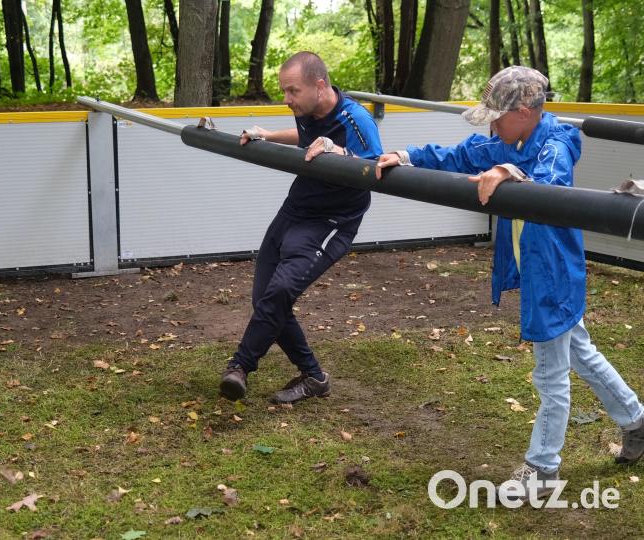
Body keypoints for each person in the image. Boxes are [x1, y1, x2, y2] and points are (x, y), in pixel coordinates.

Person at [375, 66, 644, 497]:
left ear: (523, 111)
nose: (492, 125)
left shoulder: (555, 142)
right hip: (538, 268)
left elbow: (549, 181)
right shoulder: (509, 139)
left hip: (553, 275)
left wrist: (508, 173)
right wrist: (406, 157)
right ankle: (636, 420)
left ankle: (542, 469)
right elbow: (460, 155)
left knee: (551, 376)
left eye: (497, 116)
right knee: (581, 352)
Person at [219, 51, 383, 405]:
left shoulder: (356, 120)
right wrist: (266, 134)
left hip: (331, 222)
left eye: (292, 91)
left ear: (319, 86)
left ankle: (240, 367)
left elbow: (375, 168)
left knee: (278, 293)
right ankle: (314, 377)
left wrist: (340, 152)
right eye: (284, 91)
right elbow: (305, 133)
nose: (286, 98)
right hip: (294, 210)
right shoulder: (309, 111)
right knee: (266, 297)